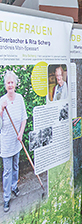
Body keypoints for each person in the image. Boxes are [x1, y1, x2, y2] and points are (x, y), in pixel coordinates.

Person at [0, 70, 28, 212]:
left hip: (17, 139)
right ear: (5, 85)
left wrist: (21, 133)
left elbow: (24, 118)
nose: (10, 85)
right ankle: (6, 198)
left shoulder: (20, 98)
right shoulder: (1, 101)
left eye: (12, 82)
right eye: (8, 82)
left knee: (16, 166)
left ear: (15, 84)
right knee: (7, 170)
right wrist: (1, 111)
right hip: (5, 142)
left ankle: (14, 187)